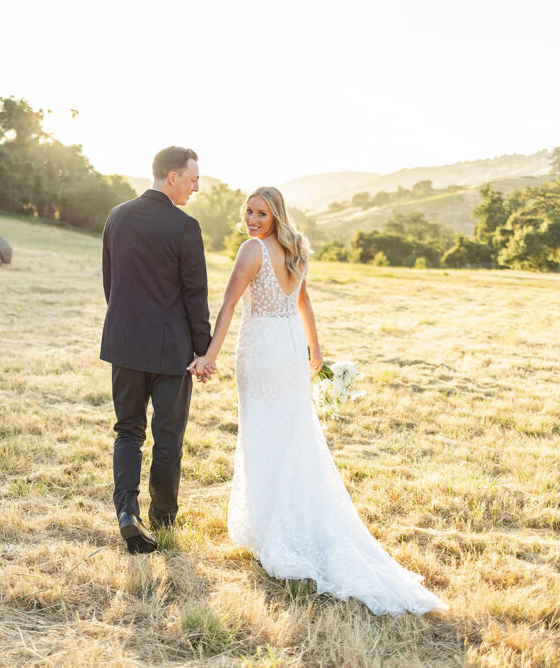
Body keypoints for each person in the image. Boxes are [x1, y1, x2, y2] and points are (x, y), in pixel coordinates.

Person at [188, 187, 447, 615]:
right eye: (248, 212)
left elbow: (230, 305)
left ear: (276, 216)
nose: (252, 219)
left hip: (263, 350)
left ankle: (275, 531)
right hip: (289, 349)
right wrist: (315, 351)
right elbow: (303, 301)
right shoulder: (297, 250)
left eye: (261, 213)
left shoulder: (252, 251)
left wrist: (209, 357)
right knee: (293, 435)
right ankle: (292, 522)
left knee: (264, 437)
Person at [100, 146, 213, 554]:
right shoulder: (185, 227)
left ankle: (127, 512)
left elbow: (109, 282)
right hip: (172, 351)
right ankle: (163, 518)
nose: (196, 187)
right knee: (168, 435)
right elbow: (194, 295)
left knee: (128, 431)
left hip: (124, 343)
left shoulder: (117, 216)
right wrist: (203, 351)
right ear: (172, 177)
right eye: (193, 178)